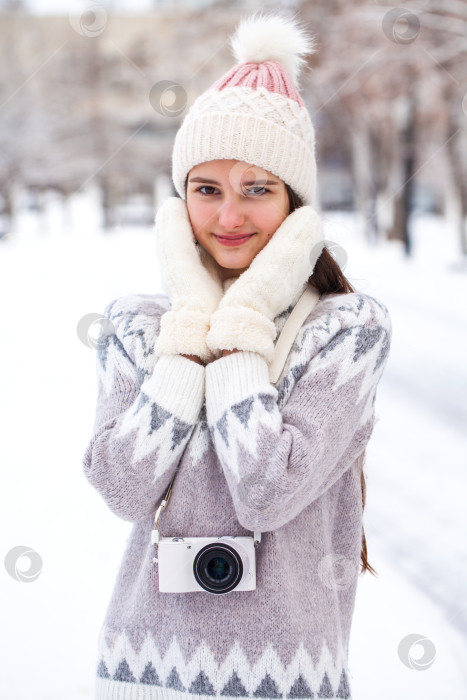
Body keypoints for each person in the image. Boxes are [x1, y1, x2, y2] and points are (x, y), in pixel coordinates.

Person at [83, 12, 392, 700]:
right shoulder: (139, 326)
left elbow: (266, 491)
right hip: (141, 670)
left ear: (294, 205)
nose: (229, 216)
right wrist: (189, 331)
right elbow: (122, 487)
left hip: (282, 679)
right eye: (206, 189)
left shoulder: (346, 330)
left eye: (257, 189)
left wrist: (241, 329)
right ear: (178, 200)